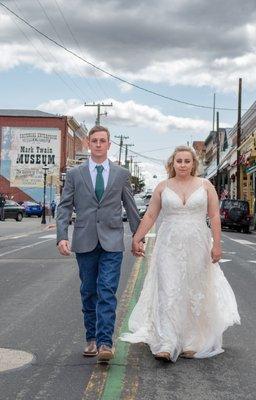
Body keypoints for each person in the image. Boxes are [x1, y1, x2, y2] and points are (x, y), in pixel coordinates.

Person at [121, 146, 240, 362]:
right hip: (168, 244)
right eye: (179, 161)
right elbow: (150, 216)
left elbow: (214, 216)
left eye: (187, 161)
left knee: (194, 289)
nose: (183, 165)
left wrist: (217, 245)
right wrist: (137, 237)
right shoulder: (162, 187)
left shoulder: (206, 186)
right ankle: (167, 342)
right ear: (172, 164)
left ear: (194, 164)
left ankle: (192, 341)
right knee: (168, 289)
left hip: (198, 244)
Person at [56, 125, 142, 363]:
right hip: (84, 240)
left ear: (109, 144)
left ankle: (105, 342)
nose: (98, 144)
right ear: (88, 143)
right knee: (89, 291)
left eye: (102, 140)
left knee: (107, 290)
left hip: (112, 241)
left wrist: (138, 236)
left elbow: (131, 206)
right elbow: (64, 206)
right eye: (94, 140)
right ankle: (91, 339)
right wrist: (62, 235)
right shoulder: (75, 174)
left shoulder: (121, 174)